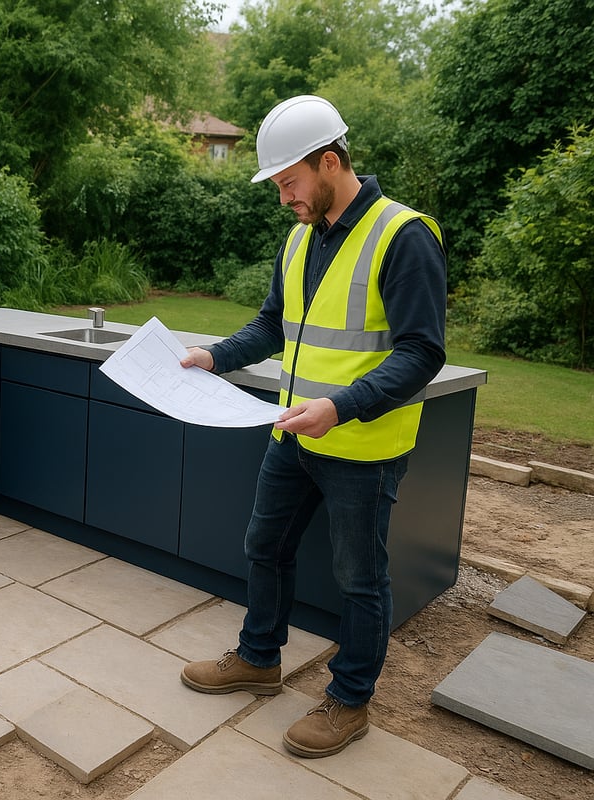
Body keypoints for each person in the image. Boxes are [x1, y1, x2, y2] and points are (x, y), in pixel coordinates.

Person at [178, 95, 447, 758]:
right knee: (264, 548)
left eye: (289, 182)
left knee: (361, 579)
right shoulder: (299, 238)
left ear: (331, 162)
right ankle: (259, 659)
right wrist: (213, 356)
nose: (283, 198)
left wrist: (341, 407)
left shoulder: (403, 234)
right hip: (291, 435)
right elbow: (274, 324)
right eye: (277, 186)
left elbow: (422, 351)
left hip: (363, 446)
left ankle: (350, 702)